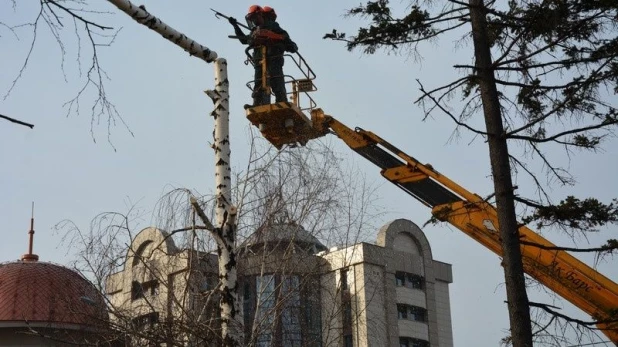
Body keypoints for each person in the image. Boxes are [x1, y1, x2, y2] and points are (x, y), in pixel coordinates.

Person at [229, 5, 298, 107]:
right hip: (259, 60)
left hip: (273, 59)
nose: (254, 21)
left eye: (255, 18)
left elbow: (287, 40)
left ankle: (281, 102)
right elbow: (244, 40)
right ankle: (257, 104)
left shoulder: (272, 26)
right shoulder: (255, 31)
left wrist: (271, 37)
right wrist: (235, 26)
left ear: (260, 15)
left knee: (276, 80)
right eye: (252, 19)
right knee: (259, 83)